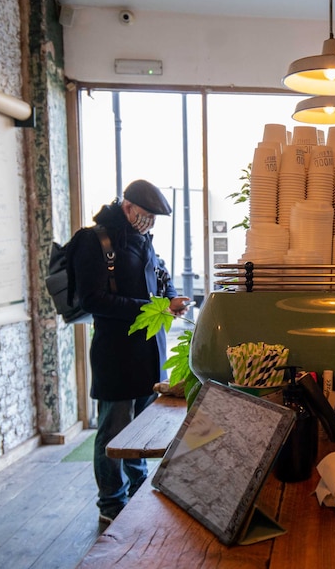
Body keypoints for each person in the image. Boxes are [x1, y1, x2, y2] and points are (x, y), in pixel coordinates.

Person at [68, 179, 189, 524]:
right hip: (115, 354)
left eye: (154, 218)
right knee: (112, 432)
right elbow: (93, 300)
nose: (149, 222)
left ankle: (138, 490)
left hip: (149, 353)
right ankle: (111, 504)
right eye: (146, 215)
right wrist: (153, 309)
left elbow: (161, 280)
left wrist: (173, 299)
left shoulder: (142, 239)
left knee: (141, 431)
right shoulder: (95, 240)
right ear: (128, 207)